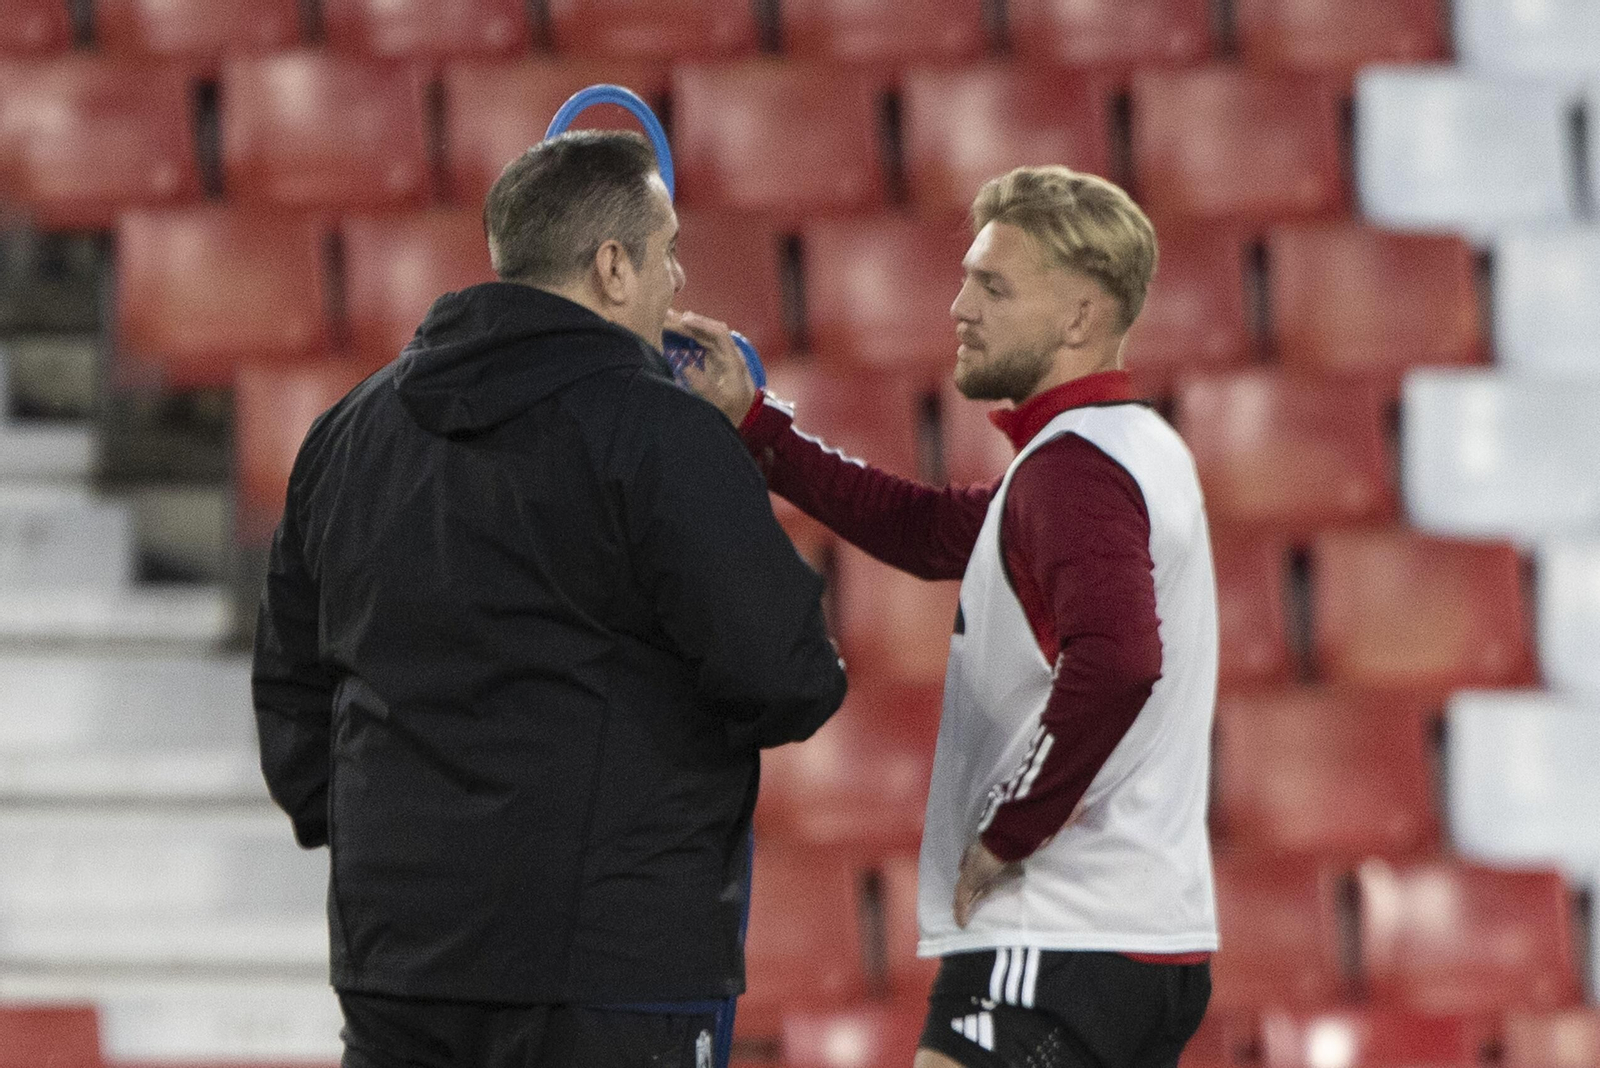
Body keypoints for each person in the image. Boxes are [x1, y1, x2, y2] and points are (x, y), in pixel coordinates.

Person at [252, 130, 848, 1068]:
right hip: (612, 967)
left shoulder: (347, 432)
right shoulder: (662, 434)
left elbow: (290, 684)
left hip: (398, 955)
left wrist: (380, 839)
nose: (678, 281)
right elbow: (788, 678)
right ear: (613, 266)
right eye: (668, 252)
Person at [677, 165, 1217, 1068]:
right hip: (1141, 938)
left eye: (993, 286)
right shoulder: (1130, 446)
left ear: (1081, 317)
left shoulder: (1073, 472)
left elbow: (1119, 660)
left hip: (1056, 934)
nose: (959, 306)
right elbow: (930, 532)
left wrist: (1011, 830)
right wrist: (760, 427)